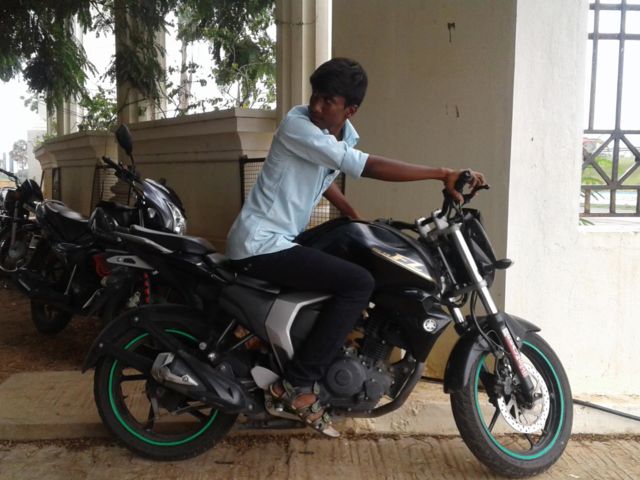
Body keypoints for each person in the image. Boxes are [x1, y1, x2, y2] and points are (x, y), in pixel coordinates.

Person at [226, 57, 486, 436]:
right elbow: (363, 165)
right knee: (358, 283)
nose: (317, 106)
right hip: (260, 244)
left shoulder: (338, 135)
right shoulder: (298, 123)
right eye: (315, 96)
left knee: (351, 243)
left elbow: (323, 174)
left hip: (279, 239)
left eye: (327, 101)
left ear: (350, 109)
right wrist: (442, 173)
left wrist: (353, 214)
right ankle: (298, 384)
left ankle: (321, 350)